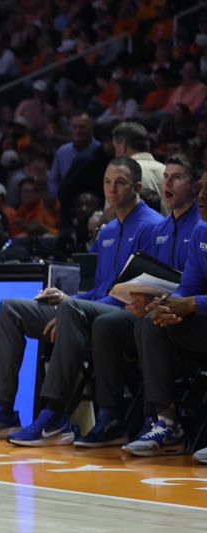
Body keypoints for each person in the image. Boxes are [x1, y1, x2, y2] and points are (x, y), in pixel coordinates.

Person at [0, 158, 162, 443]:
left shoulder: (153, 227)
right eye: (107, 182)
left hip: (125, 317)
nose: (112, 189)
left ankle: (53, 416)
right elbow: (97, 290)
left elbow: (135, 296)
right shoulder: (108, 231)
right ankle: (2, 411)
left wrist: (71, 308)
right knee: (11, 308)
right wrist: (70, 299)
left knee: (71, 309)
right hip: (90, 310)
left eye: (120, 183)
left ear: (137, 187)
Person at [79, 154, 203, 448]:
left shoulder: (197, 226)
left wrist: (183, 303)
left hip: (195, 316)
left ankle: (155, 418)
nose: (167, 183)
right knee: (116, 324)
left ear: (195, 187)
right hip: (174, 312)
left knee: (148, 322)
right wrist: (157, 300)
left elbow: (190, 291)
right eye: (166, 177)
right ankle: (120, 418)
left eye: (176, 177)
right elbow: (178, 284)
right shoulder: (162, 229)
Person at [122, 167, 207, 460]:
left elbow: (194, 298)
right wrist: (170, 304)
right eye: (202, 188)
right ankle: (167, 424)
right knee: (153, 322)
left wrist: (194, 304)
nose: (203, 197)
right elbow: (189, 286)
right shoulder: (201, 231)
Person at [112, 121, 166, 214]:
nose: (115, 154)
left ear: (123, 145)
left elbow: (113, 215)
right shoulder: (166, 169)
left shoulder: (121, 174)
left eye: (115, 147)